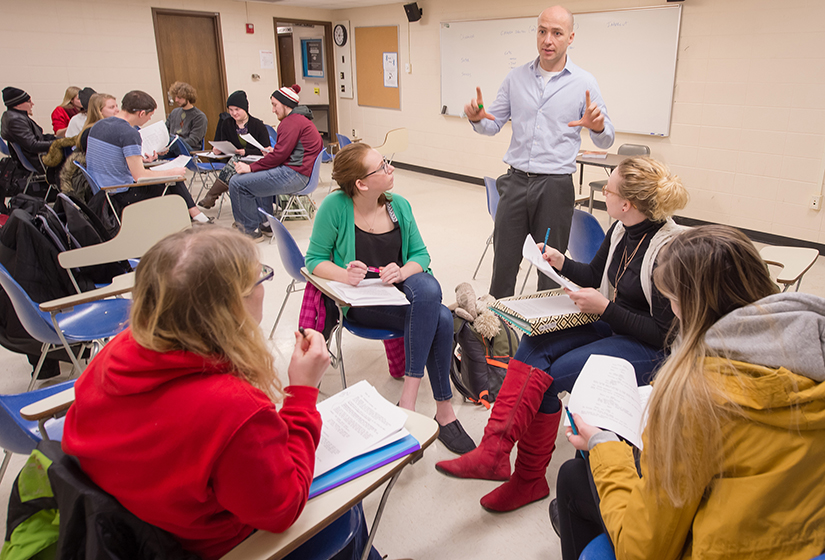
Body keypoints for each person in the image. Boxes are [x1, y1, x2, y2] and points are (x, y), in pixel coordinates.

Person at [61, 227, 381, 560]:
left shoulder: (114, 353)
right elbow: (282, 509)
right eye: (260, 278)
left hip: (139, 531)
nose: (263, 287)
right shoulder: (234, 409)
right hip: (218, 548)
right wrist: (302, 393)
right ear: (229, 307)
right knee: (350, 508)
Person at [557, 225, 825, 560]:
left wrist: (603, 445)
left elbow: (643, 551)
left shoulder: (695, 397)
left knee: (575, 476)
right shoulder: (811, 345)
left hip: (721, 547)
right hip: (799, 537)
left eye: (671, 301)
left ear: (692, 306)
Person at [436, 156, 688, 512]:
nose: (603, 191)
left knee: (551, 377)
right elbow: (593, 273)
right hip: (614, 321)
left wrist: (604, 309)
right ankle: (493, 452)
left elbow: (663, 333)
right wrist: (559, 261)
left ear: (627, 204)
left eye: (608, 188)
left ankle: (528, 479)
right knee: (534, 344)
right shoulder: (621, 228)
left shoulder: (667, 250)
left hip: (650, 347)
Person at [305, 142, 476, 455]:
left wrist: (402, 271)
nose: (391, 168)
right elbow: (314, 259)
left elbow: (421, 256)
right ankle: (444, 412)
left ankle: (408, 402)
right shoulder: (336, 207)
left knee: (427, 289)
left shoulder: (399, 205)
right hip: (362, 306)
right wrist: (346, 274)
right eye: (382, 166)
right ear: (361, 183)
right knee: (440, 317)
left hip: (401, 297)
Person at [466, 5, 615, 299]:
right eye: (542, 31)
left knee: (549, 269)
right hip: (516, 182)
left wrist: (597, 127)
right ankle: (498, 337)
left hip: (555, 187)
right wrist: (476, 118)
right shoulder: (516, 78)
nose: (548, 40)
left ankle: (543, 338)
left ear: (570, 37)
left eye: (557, 33)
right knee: (504, 264)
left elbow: (606, 139)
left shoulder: (584, 83)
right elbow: (491, 125)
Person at [85, 90, 209, 222]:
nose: (149, 119)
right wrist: (171, 172)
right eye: (150, 115)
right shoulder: (129, 133)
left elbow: (112, 159)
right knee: (174, 181)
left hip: (102, 190)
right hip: (119, 194)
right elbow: (139, 176)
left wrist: (141, 160)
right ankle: (196, 217)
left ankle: (196, 216)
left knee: (171, 179)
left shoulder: (98, 125)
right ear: (141, 113)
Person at [229, 85, 323, 240]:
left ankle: (250, 230)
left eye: (275, 105)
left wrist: (250, 168)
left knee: (236, 183)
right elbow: (291, 152)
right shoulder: (301, 120)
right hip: (300, 173)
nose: (273, 110)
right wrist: (274, 152)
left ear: (286, 104)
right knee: (259, 174)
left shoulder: (290, 122)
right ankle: (265, 223)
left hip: (295, 175)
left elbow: (279, 157)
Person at [197, 89, 270, 209]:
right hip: (234, 160)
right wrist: (218, 149)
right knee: (235, 162)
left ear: (245, 108)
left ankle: (212, 196)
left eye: (237, 110)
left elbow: (265, 150)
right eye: (230, 110)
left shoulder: (258, 125)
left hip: (254, 160)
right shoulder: (227, 124)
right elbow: (223, 142)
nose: (234, 113)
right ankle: (214, 198)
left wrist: (246, 152)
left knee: (235, 163)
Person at [1, 86, 55, 173]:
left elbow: (37, 137)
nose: (32, 104)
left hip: (36, 158)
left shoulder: (15, 116)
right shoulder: (16, 120)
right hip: (39, 161)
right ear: (18, 104)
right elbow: (33, 145)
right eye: (28, 101)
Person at [165, 81, 208, 152]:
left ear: (187, 97)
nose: (176, 100)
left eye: (179, 97)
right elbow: (165, 131)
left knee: (175, 141)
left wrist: (174, 143)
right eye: (175, 97)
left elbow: (193, 140)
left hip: (189, 149)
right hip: (172, 146)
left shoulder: (199, 116)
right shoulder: (174, 112)